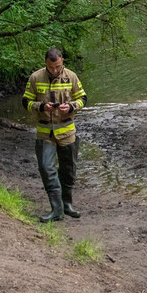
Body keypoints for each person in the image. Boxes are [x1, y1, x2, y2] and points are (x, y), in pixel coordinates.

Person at [23, 48, 87, 222]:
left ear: (62, 61)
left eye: (57, 66)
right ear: (45, 62)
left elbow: (83, 98)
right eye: (51, 67)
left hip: (67, 131)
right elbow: (26, 102)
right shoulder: (36, 77)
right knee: (46, 168)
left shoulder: (71, 76)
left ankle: (67, 205)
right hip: (44, 132)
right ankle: (56, 209)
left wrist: (72, 106)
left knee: (68, 170)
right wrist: (42, 107)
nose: (54, 70)